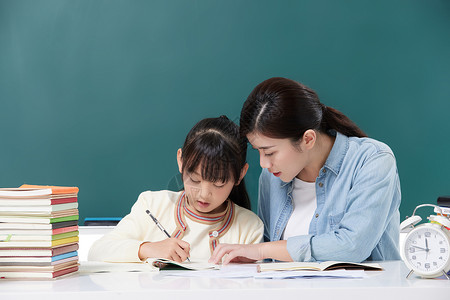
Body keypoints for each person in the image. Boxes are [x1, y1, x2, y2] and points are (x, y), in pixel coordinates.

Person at [209, 77, 401, 264]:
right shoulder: (271, 176)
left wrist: (261, 250)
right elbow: (268, 253)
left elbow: (353, 246)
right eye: (257, 151)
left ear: (308, 139)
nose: (263, 164)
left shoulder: (372, 160)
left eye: (269, 152)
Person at [88, 116, 263, 263]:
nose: (203, 193)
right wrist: (148, 249)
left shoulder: (249, 227)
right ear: (181, 161)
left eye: (218, 184)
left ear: (240, 174)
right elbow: (97, 251)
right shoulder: (152, 204)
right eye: (194, 179)